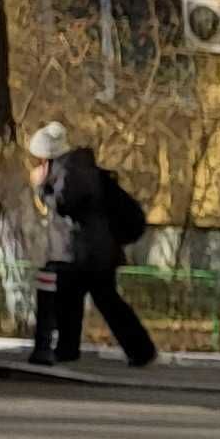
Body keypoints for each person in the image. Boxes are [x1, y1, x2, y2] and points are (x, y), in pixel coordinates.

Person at [24, 122, 157, 367]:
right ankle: (136, 349)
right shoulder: (77, 166)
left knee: (82, 301)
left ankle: (136, 349)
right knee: (88, 301)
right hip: (89, 251)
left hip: (81, 252)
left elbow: (65, 202)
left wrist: (42, 187)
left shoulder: (70, 169)